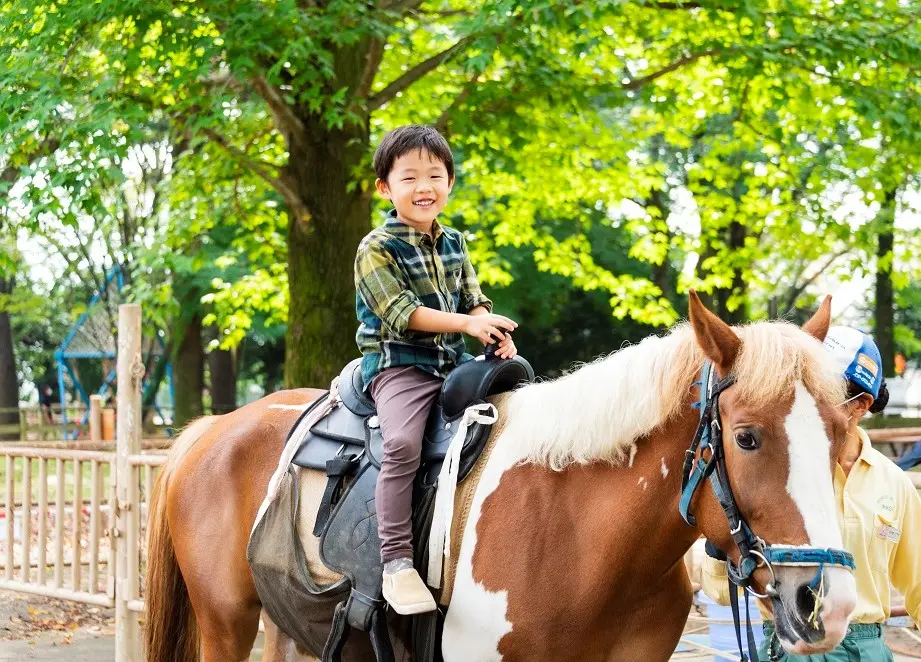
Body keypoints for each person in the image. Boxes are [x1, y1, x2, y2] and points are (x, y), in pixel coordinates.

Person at [354, 124, 518, 614]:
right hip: (400, 366)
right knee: (403, 444)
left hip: (455, 364)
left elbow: (476, 300)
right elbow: (404, 314)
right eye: (409, 178)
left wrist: (493, 329)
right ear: (386, 188)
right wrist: (469, 323)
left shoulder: (456, 242)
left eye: (434, 175)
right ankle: (396, 562)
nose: (423, 187)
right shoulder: (376, 248)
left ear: (449, 183)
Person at [701, 326, 921, 661]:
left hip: (868, 648)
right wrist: (722, 548)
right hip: (791, 641)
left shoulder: (894, 483)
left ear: (860, 405)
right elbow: (717, 589)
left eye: (822, 388)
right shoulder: (776, 472)